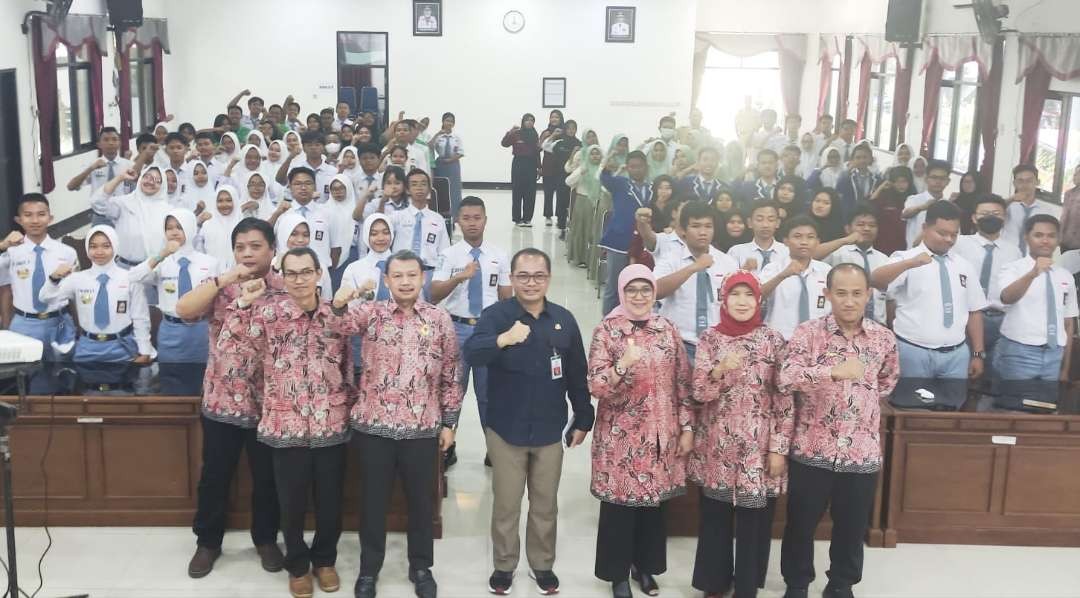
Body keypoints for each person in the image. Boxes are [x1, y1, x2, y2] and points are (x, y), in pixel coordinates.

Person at [329, 250, 462, 598]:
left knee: (421, 503)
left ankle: (421, 568)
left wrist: (449, 423)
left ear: (422, 279)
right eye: (397, 276)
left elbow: (450, 374)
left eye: (412, 275)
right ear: (387, 281)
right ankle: (369, 571)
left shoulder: (439, 320)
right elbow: (338, 324)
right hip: (374, 428)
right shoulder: (371, 314)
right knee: (372, 503)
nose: (405, 281)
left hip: (422, 428)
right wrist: (341, 302)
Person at [464, 248, 594, 597]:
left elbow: (577, 374)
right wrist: (502, 340)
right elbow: (471, 353)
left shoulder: (564, 320)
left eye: (538, 276)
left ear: (549, 279)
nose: (531, 282)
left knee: (545, 503)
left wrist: (584, 415)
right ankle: (504, 565)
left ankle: (542, 564)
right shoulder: (496, 316)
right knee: (506, 503)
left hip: (550, 429)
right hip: (506, 428)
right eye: (523, 276)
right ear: (512, 278)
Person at [224, 247, 352, 598]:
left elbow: (350, 365)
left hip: (330, 422)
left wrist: (348, 409)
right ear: (281, 275)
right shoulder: (268, 313)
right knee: (291, 502)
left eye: (305, 272)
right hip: (285, 424)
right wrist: (243, 305)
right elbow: (233, 350)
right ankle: (298, 565)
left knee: (330, 501)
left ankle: (325, 560)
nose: (299, 279)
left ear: (319, 274)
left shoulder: (336, 315)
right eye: (291, 273)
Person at [778, 263, 899, 598]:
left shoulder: (883, 338)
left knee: (851, 527)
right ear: (827, 294)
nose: (849, 301)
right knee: (801, 524)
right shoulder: (807, 333)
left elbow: (887, 382)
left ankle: (841, 584)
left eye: (857, 293)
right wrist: (831, 373)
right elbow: (786, 378)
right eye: (841, 293)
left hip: (861, 452)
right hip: (812, 449)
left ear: (868, 295)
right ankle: (797, 583)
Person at [175, 217, 283, 578]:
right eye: (240, 247)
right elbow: (184, 310)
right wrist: (226, 279)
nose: (247, 253)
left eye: (255, 246)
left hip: (270, 405)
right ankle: (207, 543)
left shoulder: (284, 289)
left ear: (272, 250)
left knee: (267, 478)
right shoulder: (220, 287)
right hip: (222, 401)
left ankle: (266, 539)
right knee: (215, 476)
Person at [587, 264, 693, 598]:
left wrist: (686, 426)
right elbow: (596, 385)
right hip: (620, 439)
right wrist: (622, 365)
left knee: (653, 507)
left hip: (661, 434)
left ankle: (644, 567)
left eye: (645, 289)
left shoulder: (667, 329)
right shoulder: (607, 331)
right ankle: (617, 574)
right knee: (620, 507)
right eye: (631, 290)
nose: (638, 296)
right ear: (621, 292)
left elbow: (683, 383)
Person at [690, 270, 792, 598]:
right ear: (724, 299)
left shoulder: (773, 340)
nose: (742, 302)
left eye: (749, 295)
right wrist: (719, 370)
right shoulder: (710, 338)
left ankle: (747, 586)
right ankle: (714, 583)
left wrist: (778, 447)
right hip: (717, 445)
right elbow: (700, 392)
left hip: (757, 447)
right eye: (735, 294)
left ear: (759, 300)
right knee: (716, 517)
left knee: (753, 520)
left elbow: (784, 396)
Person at [872, 201, 988, 402]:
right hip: (913, 352)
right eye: (942, 233)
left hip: (956, 355)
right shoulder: (905, 258)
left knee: (949, 413)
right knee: (911, 411)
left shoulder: (964, 266)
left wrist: (977, 353)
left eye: (954, 234)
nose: (949, 239)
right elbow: (875, 280)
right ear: (925, 228)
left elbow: (974, 311)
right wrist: (910, 263)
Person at [430, 196, 513, 467]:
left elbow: (506, 297)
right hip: (457, 329)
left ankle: (494, 448)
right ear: (457, 221)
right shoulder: (449, 255)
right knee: (453, 390)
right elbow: (432, 294)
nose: (472, 223)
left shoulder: (499, 255)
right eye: (466, 218)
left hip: (489, 332)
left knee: (490, 393)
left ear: (486, 220)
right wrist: (458, 278)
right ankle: (446, 445)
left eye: (477, 218)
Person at [40, 224, 153, 363]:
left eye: (106, 246)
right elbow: (45, 298)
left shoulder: (130, 278)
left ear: (115, 247)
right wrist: (53, 278)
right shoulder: (77, 279)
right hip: (87, 348)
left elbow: (140, 317)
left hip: (123, 347)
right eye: (93, 246)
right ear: (87, 249)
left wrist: (145, 350)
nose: (99, 251)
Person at [991, 215, 1077, 393]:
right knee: (1013, 411)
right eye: (1038, 235)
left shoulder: (1065, 276)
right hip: (1018, 352)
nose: (1045, 240)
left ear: (1058, 239)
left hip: (1054, 354)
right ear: (1026, 237)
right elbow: (1006, 297)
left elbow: (1068, 323)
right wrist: (1033, 273)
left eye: (1051, 236)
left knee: (1043, 412)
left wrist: (1065, 368)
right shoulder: (1013, 268)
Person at [129, 208, 218, 363]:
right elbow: (133, 277)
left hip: (201, 329)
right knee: (170, 379)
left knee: (203, 380)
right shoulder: (161, 262)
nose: (174, 232)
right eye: (169, 228)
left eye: (179, 227)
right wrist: (161, 255)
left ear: (190, 228)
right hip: (171, 330)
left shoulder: (209, 262)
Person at [655, 201, 739, 360]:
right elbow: (655, 291)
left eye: (708, 226)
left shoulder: (728, 262)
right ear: (682, 230)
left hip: (717, 346)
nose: (703, 232)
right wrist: (693, 267)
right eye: (696, 226)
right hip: (678, 344)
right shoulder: (670, 259)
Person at [0, 194, 79, 360]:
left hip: (60, 322)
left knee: (64, 373)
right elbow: (5, 291)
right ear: (19, 220)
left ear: (50, 218)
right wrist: (3, 245)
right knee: (28, 377)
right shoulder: (11, 252)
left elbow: (75, 295)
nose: (35, 220)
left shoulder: (67, 252)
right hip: (24, 323)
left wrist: (79, 326)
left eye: (41, 214)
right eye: (28, 215)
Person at [953, 194, 1021, 370]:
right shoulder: (958, 244)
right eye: (985, 213)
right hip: (964, 317)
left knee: (992, 375)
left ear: (1004, 218)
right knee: (963, 371)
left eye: (996, 213)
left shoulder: (1014, 252)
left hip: (1000, 320)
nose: (990, 217)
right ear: (974, 218)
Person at [760, 216, 832, 340]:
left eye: (810, 237)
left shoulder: (827, 271)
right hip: (780, 340)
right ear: (786, 241)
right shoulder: (773, 268)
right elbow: (757, 296)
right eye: (797, 236)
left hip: (818, 341)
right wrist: (782, 276)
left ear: (817, 242)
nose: (804, 242)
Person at [382, 168, 449, 299]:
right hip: (401, 272)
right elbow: (380, 234)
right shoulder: (397, 217)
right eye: (414, 184)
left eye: (423, 184)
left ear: (429, 189)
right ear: (407, 190)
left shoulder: (438, 219)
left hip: (428, 273)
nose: (419, 188)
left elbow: (444, 252)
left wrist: (439, 277)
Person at [599, 150, 652, 315]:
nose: (637, 170)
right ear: (627, 168)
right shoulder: (620, 183)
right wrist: (607, 165)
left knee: (641, 285)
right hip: (619, 241)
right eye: (633, 167)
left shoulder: (653, 188)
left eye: (640, 166)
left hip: (644, 243)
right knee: (614, 286)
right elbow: (604, 178)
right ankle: (607, 325)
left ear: (646, 168)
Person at [817, 203, 888, 324]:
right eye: (860, 224)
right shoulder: (836, 254)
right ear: (848, 228)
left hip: (877, 327)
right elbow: (811, 256)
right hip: (842, 325)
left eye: (872, 225)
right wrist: (845, 240)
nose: (866, 229)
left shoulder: (884, 259)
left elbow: (890, 299)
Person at [91, 166, 171, 269]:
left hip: (153, 269)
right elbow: (97, 202)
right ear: (140, 178)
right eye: (147, 177)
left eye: (157, 181)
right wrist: (120, 177)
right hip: (123, 267)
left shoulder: (168, 210)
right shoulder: (124, 203)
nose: (151, 182)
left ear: (163, 186)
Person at [271, 167, 343, 272]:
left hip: (319, 273)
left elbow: (336, 249)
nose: (303, 187)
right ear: (290, 187)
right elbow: (270, 243)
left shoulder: (328, 213)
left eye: (308, 183)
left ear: (315, 186)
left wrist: (328, 272)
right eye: (298, 184)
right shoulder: (282, 213)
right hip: (287, 273)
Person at [68, 126, 136, 225]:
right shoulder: (93, 164)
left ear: (120, 143)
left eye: (114, 139)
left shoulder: (128, 165)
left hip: (123, 215)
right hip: (100, 215)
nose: (110, 143)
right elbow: (71, 186)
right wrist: (91, 169)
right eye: (106, 140)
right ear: (99, 144)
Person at [273, 212, 334, 300]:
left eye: (306, 235)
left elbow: (327, 301)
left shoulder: (319, 266)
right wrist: (275, 271)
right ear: (283, 234)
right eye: (294, 234)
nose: (300, 240)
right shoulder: (273, 265)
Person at [565, 143, 605, 268]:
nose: (594, 156)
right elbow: (568, 181)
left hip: (598, 202)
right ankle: (580, 258)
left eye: (597, 154)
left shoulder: (603, 169)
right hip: (582, 201)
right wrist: (581, 173)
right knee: (581, 231)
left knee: (593, 231)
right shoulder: (583, 167)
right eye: (592, 154)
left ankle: (591, 260)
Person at [727, 202, 789, 275]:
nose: (765, 225)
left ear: (778, 223)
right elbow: (725, 283)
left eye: (771, 220)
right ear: (749, 223)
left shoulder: (787, 252)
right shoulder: (736, 252)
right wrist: (743, 270)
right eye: (759, 220)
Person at [1004, 165, 1054, 256]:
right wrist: (1011, 199)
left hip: (1032, 258)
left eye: (1029, 181)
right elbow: (992, 211)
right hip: (1007, 255)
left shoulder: (1046, 210)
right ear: (1014, 183)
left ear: (1037, 182)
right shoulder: (1007, 206)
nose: (1025, 185)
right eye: (1020, 181)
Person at [901, 159, 951, 249]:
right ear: (926, 179)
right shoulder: (914, 199)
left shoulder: (948, 205)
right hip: (913, 253)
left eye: (942, 178)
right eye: (934, 177)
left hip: (939, 254)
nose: (938, 182)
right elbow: (905, 214)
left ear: (948, 181)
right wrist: (923, 207)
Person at [502, 114, 541, 226]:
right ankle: (517, 219)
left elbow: (537, 152)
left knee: (530, 192)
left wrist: (539, 167)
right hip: (518, 163)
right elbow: (504, 144)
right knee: (517, 191)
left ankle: (527, 218)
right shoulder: (516, 133)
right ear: (523, 122)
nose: (529, 122)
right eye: (527, 120)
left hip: (531, 164)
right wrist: (510, 131)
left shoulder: (535, 135)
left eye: (532, 120)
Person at [278, 131, 337, 203]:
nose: (313, 148)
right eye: (309, 145)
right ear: (303, 147)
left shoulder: (333, 171)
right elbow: (280, 180)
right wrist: (290, 157)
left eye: (317, 145)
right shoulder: (297, 169)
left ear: (323, 147)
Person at [869, 165, 914, 255]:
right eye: (896, 182)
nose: (900, 185)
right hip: (883, 243)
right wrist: (880, 188)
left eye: (904, 181)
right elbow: (869, 207)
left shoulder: (913, 198)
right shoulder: (885, 196)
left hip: (905, 244)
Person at [197, 186, 244, 270]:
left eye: (229, 200)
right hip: (211, 275)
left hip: (239, 274)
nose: (224, 204)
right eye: (220, 201)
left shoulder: (243, 224)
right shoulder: (207, 225)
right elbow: (199, 251)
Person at [430, 112, 465, 219]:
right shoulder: (439, 136)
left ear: (453, 124)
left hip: (453, 165)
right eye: (446, 120)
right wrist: (437, 134)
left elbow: (461, 152)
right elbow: (430, 146)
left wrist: (450, 160)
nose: (448, 123)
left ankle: (455, 215)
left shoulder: (456, 137)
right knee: (441, 188)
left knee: (454, 190)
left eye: (451, 121)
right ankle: (441, 213)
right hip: (440, 164)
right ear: (443, 122)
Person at [834, 144, 879, 223]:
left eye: (865, 157)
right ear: (852, 160)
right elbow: (840, 196)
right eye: (858, 158)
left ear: (870, 159)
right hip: (850, 219)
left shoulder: (877, 179)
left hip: (870, 219)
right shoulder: (846, 178)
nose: (862, 160)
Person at [950, 171, 982, 235]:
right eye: (965, 182)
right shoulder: (957, 198)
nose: (967, 184)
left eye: (971, 181)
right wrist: (950, 202)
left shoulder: (983, 200)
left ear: (977, 183)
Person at [1059, 165, 1080, 251]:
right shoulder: (1069, 193)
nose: (1074, 176)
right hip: (1066, 241)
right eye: (1074, 174)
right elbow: (1064, 217)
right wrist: (1059, 235)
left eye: (1078, 173)